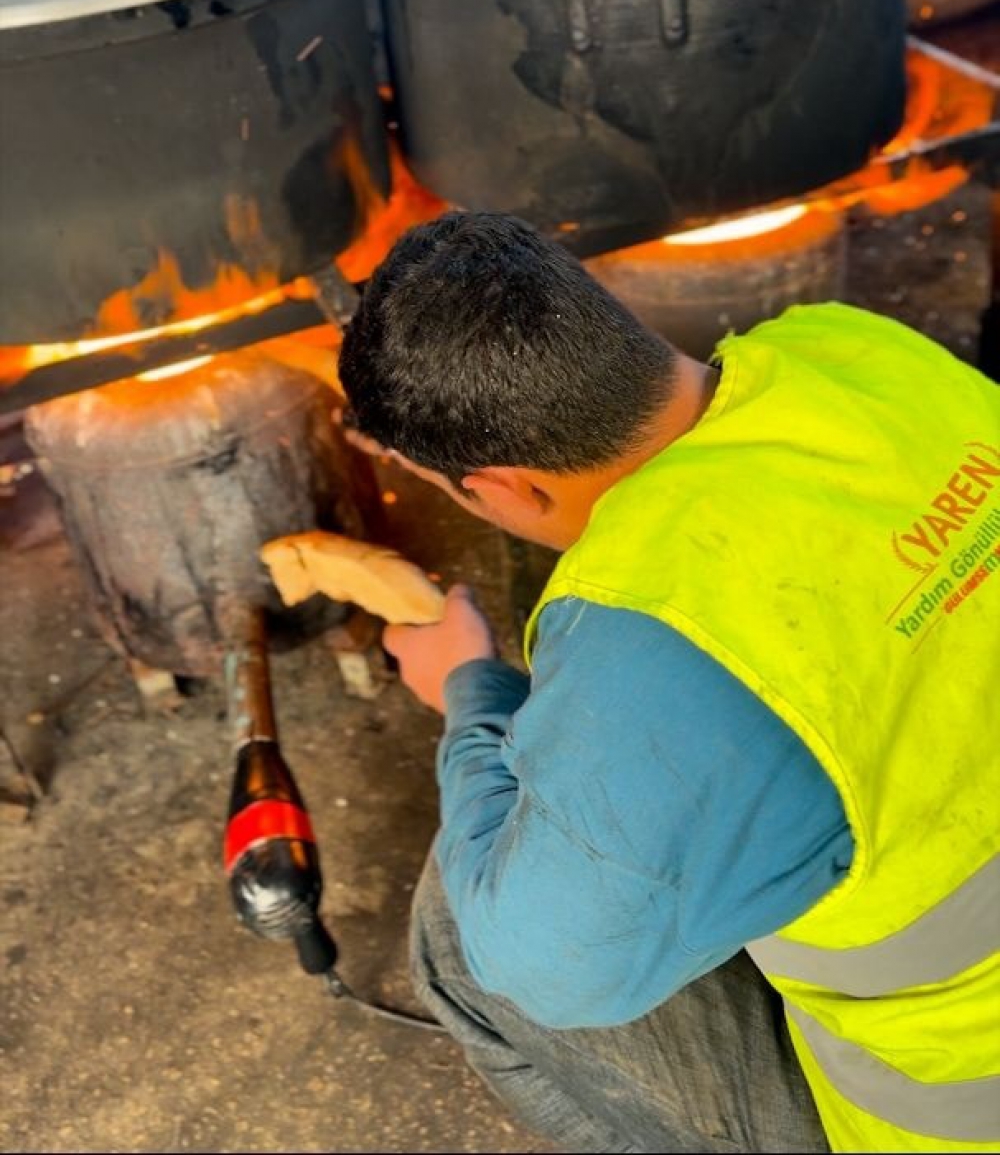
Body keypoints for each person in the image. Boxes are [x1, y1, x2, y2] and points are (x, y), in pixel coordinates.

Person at [338, 211, 1000, 1155]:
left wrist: (470, 690)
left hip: (960, 1118)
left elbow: (542, 963)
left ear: (505, 488)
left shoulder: (657, 638)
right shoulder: (851, 346)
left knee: (462, 930)